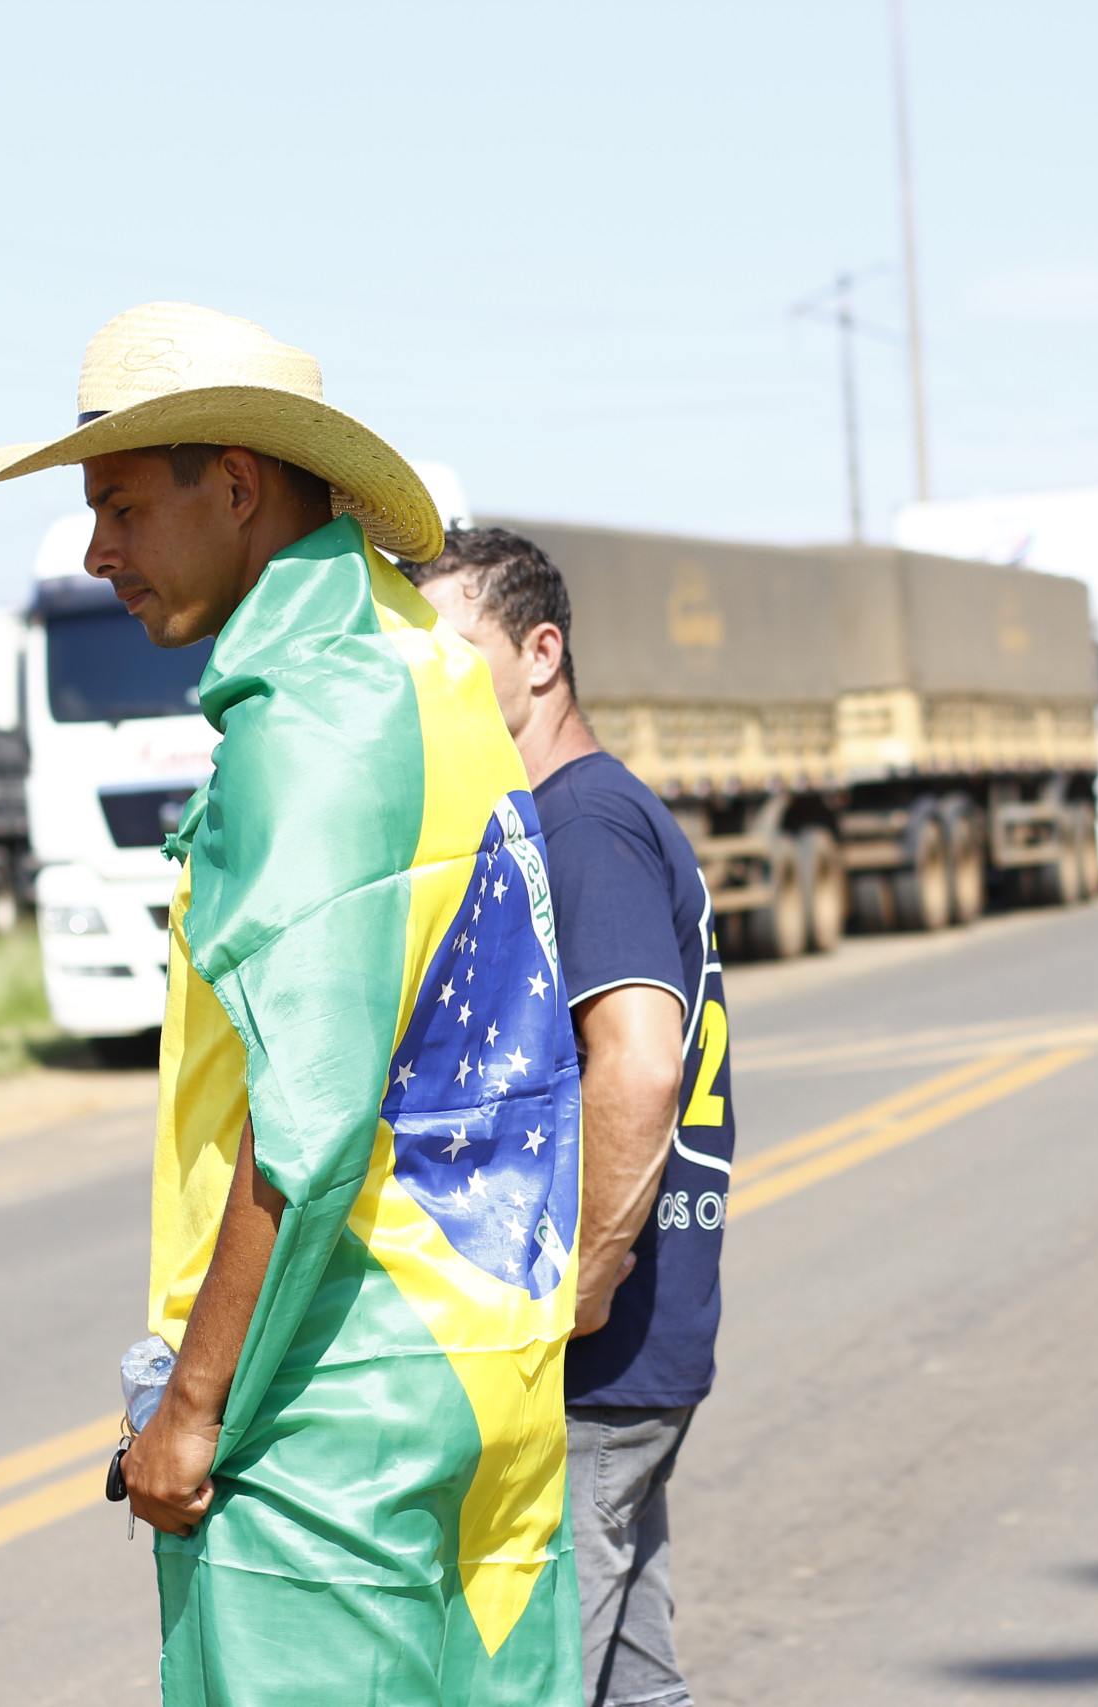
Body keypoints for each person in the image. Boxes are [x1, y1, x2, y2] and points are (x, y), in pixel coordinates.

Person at [0, 304, 583, 1705]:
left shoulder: (306, 736)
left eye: (119, 504)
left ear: (235, 487)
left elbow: (309, 1124)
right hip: (483, 1375)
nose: (101, 549)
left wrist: (194, 1404)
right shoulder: (426, 673)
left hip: (336, 1408)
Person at [409, 527, 733, 1707]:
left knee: (531, 1682)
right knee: (632, 1686)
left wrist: (581, 1278)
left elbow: (640, 1066)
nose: (431, 681)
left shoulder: (581, 826)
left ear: (541, 654)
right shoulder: (580, 815)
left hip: (596, 1357)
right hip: (642, 1352)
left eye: (455, 653)